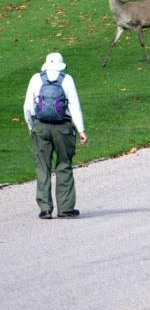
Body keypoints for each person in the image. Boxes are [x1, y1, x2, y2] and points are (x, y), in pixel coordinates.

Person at [22, 52, 88, 219]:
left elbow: (27, 107)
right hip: (63, 128)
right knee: (64, 165)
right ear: (61, 65)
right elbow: (74, 106)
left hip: (40, 127)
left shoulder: (36, 78)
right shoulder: (67, 79)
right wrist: (81, 130)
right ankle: (65, 208)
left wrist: (31, 126)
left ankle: (45, 208)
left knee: (42, 166)